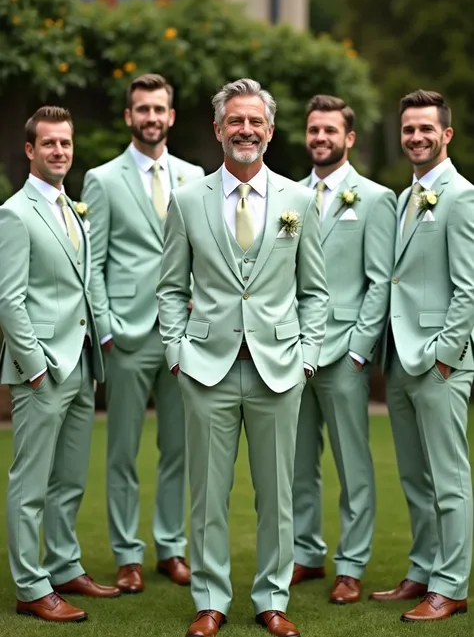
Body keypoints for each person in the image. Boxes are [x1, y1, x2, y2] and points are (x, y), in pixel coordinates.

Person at [158, 78, 329, 637]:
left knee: (277, 496)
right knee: (208, 493)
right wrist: (176, 352)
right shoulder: (186, 200)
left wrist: (306, 357)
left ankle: (272, 600)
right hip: (205, 366)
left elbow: (316, 292)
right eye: (236, 121)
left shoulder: (300, 202)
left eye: (255, 121)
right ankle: (210, 601)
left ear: (271, 130)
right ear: (217, 129)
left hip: (279, 367)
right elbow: (168, 287)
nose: (246, 130)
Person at [82, 74, 204, 593]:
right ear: (129, 116)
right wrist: (106, 330)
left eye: (159, 109)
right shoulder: (103, 179)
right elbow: (93, 263)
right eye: (141, 109)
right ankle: (128, 555)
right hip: (127, 336)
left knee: (179, 449)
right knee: (123, 451)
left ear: (171, 116)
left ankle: (171, 548)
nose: (151, 117)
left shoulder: (196, 175)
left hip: (184, 335)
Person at [0, 106, 120, 623]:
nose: (59, 152)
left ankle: (65, 565)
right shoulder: (15, 212)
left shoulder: (72, 207)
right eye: (48, 144)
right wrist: (35, 366)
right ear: (30, 150)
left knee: (69, 479)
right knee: (30, 484)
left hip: (81, 364)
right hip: (43, 368)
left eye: (65, 144)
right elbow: (9, 300)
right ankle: (31, 586)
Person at [370, 90, 473, 622]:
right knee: (414, 476)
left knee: (448, 478)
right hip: (401, 360)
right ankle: (424, 569)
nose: (416, 137)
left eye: (425, 129)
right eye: (408, 129)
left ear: (446, 135)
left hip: (438, 362)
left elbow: (469, 288)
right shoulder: (404, 196)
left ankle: (452, 586)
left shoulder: (461, 196)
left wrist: (444, 357)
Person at [292, 95, 396, 603]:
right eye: (313, 130)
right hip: (290, 352)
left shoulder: (375, 199)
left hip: (343, 355)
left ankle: (350, 565)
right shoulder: (287, 195)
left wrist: (359, 350)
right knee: (295, 462)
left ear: (349, 138)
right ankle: (305, 554)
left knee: (352, 464)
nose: (320, 138)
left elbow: (379, 282)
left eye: (330, 130)